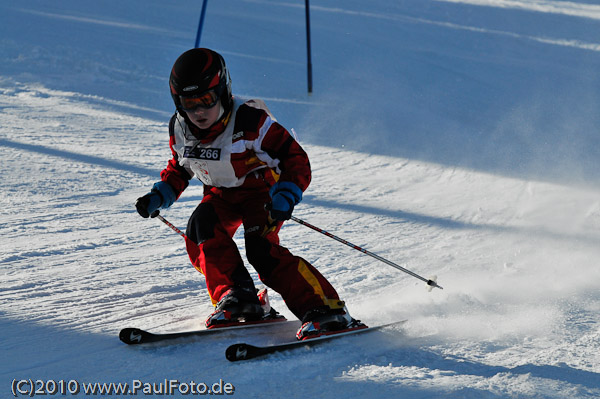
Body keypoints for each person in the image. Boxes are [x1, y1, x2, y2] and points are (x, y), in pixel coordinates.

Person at [135, 48, 363, 340]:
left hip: (263, 193)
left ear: (223, 91)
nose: (199, 112)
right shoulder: (180, 128)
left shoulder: (250, 122)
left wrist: (287, 193)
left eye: (206, 100)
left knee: (262, 251)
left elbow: (294, 158)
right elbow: (182, 166)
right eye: (190, 103)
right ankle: (239, 297)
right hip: (221, 194)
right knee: (201, 230)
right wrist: (160, 195)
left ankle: (326, 310)